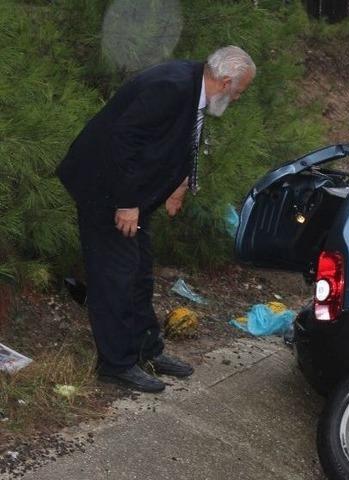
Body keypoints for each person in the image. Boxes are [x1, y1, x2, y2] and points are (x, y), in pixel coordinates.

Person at [57, 46, 256, 393]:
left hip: (132, 196)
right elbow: (122, 140)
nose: (238, 98)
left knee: (140, 272)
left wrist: (178, 186)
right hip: (105, 191)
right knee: (115, 275)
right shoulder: (172, 87)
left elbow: (180, 140)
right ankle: (116, 364)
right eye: (239, 92)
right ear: (225, 82)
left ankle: (147, 350)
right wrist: (127, 202)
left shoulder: (194, 87)